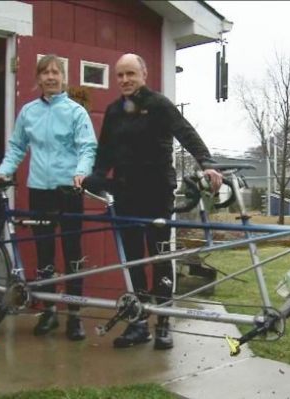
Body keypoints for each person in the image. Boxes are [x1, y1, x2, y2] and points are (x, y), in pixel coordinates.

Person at [85, 53, 222, 350]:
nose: (125, 80)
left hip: (157, 192)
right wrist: (93, 177)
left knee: (159, 258)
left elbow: (186, 132)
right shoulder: (113, 111)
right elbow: (104, 153)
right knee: (134, 259)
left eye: (130, 74)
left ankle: (162, 323)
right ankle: (138, 323)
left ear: (144, 74)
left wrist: (206, 163)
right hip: (125, 193)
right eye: (120, 75)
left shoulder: (158, 104)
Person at [0, 54, 97, 341]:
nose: (50, 77)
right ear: (38, 79)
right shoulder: (28, 112)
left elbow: (87, 147)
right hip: (39, 191)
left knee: (72, 253)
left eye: (56, 72)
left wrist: (81, 173)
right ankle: (48, 312)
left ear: (64, 78)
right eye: (45, 73)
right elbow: (17, 147)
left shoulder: (76, 112)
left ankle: (74, 316)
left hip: (69, 191)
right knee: (44, 252)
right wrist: (2, 172)